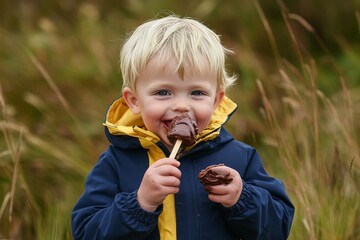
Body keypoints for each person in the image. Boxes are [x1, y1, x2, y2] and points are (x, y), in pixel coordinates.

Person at [71, 15, 294, 240]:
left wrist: (242, 197)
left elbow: (279, 229)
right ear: (135, 100)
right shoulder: (117, 163)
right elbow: (86, 233)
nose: (181, 106)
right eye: (163, 92)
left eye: (197, 93)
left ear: (216, 100)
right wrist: (140, 203)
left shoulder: (240, 159)